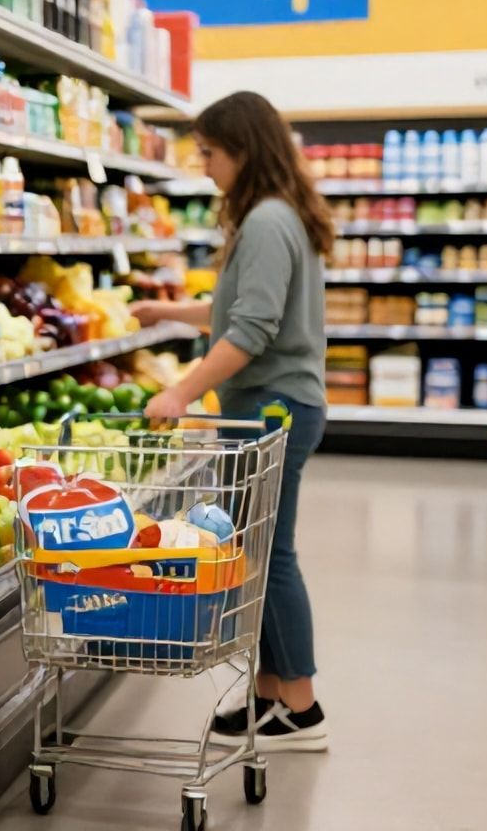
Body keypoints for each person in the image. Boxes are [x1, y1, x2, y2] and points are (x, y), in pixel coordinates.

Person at [128, 90, 332, 752]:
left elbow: (251, 330)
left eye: (210, 152)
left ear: (243, 149)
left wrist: (180, 392)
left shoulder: (270, 221)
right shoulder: (272, 217)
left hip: (276, 406)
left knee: (271, 559)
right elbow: (232, 311)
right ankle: (271, 694)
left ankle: (301, 708)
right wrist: (167, 314)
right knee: (259, 552)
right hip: (263, 408)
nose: (204, 165)